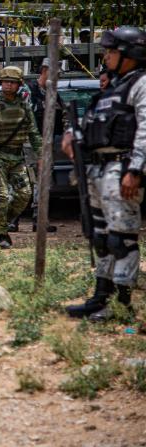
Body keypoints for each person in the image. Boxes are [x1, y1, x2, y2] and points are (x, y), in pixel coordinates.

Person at [63, 26, 146, 322]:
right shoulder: (112, 87)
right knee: (100, 237)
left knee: (120, 239)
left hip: (121, 169)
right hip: (97, 170)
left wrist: (136, 169)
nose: (106, 57)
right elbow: (90, 121)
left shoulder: (141, 84)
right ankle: (101, 297)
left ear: (129, 55)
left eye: (111, 52)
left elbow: (145, 132)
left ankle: (122, 303)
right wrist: (72, 134)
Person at [0, 66, 42, 249]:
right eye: (5, 81)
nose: (8, 85)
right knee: (2, 196)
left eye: (12, 82)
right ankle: (1, 235)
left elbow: (33, 132)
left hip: (17, 156)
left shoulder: (24, 104)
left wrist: (41, 155)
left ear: (19, 85)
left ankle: (0, 222)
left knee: (24, 195)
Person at [17, 58, 60, 233]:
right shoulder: (28, 90)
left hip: (45, 143)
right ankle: (14, 219)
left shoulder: (52, 93)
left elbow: (60, 116)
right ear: (44, 70)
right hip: (27, 141)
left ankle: (39, 219)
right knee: (23, 180)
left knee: (42, 182)